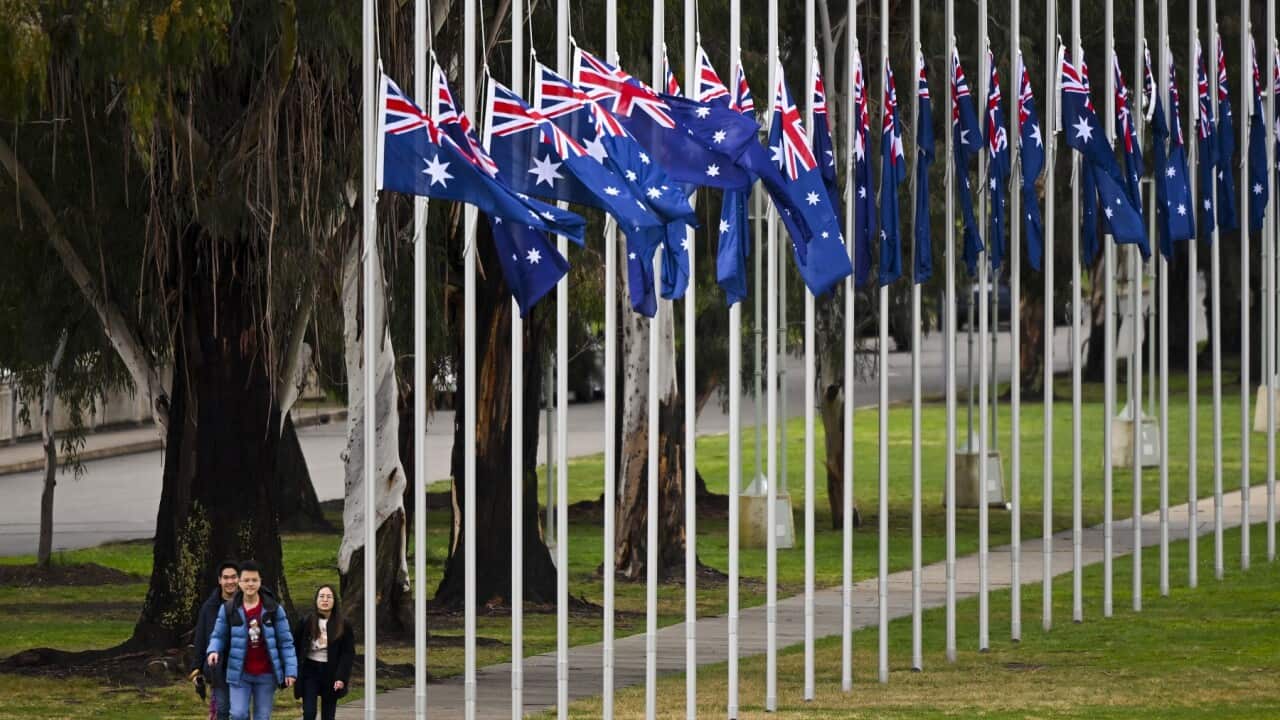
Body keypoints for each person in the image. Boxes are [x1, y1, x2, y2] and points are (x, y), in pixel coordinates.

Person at [206, 560, 298, 720]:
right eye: (246, 580)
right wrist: (213, 650)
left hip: (266, 674)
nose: (250, 584)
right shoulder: (229, 608)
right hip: (239, 673)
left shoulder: (274, 609)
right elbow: (218, 635)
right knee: (238, 714)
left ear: (260, 581)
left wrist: (290, 671)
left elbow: (286, 643)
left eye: (254, 580)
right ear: (239, 583)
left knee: (262, 716)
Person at [292, 585, 355, 720]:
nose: (325, 600)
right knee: (309, 713)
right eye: (321, 596)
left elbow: (347, 653)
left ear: (334, 601)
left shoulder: (343, 624)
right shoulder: (306, 621)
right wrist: (293, 671)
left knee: (328, 715)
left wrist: (341, 677)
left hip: (331, 672)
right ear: (316, 600)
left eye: (329, 597)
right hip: (310, 671)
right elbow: (295, 646)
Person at [189, 560, 240, 720]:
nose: (230, 581)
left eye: (233, 577)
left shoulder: (248, 603)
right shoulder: (209, 607)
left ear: (239, 579)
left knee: (240, 711)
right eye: (226, 578)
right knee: (222, 709)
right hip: (218, 668)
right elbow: (201, 638)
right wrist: (196, 668)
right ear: (219, 580)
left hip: (243, 666)